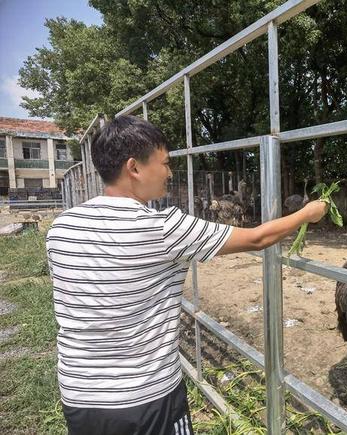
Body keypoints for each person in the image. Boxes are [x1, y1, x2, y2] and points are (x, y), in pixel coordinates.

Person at [46, 115, 327, 435]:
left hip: (79, 395)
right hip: (145, 398)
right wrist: (307, 213)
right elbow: (258, 238)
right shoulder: (163, 228)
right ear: (134, 168)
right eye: (164, 163)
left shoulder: (62, 227)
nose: (169, 172)